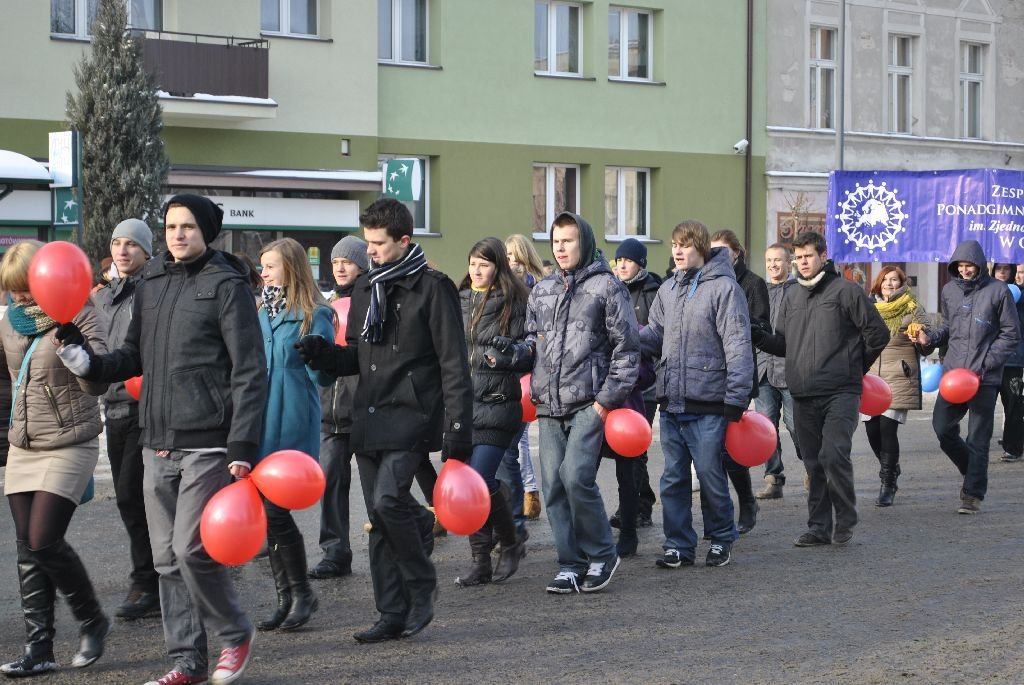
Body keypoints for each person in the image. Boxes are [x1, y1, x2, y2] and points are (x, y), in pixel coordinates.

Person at [56, 194, 266, 685]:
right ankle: (187, 661)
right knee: (166, 560)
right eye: (171, 226)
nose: (177, 234)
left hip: (209, 440)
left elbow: (250, 372)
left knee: (193, 550)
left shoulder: (226, 286)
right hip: (157, 439)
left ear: (206, 232)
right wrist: (89, 363)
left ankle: (234, 634)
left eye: (188, 226)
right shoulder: (151, 283)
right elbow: (132, 355)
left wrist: (243, 444)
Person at [295, 198, 473, 642]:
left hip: (412, 413)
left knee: (390, 500)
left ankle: (420, 583)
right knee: (379, 515)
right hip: (369, 413)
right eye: (368, 241)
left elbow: (454, 364)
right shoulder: (365, 290)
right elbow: (359, 354)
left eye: (377, 243)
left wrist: (458, 430)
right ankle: (390, 612)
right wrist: (326, 356)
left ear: (404, 240)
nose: (369, 251)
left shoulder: (433, 288)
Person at [502, 212, 639, 594]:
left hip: (588, 403)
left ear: (585, 242)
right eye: (556, 241)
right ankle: (571, 563)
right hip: (548, 404)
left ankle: (602, 555)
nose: (561, 248)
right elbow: (534, 342)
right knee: (553, 487)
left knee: (576, 477)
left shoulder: (608, 287)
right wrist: (515, 354)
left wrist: (605, 401)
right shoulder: (543, 290)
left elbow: (627, 350)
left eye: (569, 240)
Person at [0, 241, 111, 677]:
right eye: (12, 290)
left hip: (70, 441)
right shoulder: (10, 322)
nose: (20, 298)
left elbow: (98, 380)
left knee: (44, 539)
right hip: (23, 446)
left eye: (25, 288)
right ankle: (39, 649)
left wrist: (80, 355)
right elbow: (4, 387)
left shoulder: (80, 313)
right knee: (27, 549)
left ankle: (92, 621)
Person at [753, 231, 889, 547]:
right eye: (798, 258)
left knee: (833, 454)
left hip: (841, 391)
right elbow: (785, 344)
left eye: (808, 256)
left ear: (823, 256)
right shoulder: (792, 297)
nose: (803, 262)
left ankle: (845, 519)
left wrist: (855, 367)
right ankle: (818, 527)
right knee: (813, 462)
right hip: (802, 393)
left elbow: (878, 334)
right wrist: (758, 336)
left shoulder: (847, 292)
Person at [641, 221, 752, 569]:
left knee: (709, 475)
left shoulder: (724, 289)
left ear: (701, 248)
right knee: (673, 478)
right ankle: (678, 545)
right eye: (674, 244)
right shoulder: (668, 288)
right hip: (671, 402)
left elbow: (737, 345)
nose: (677, 250)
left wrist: (736, 398)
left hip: (709, 404)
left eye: (685, 245)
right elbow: (654, 335)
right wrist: (624, 333)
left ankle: (721, 538)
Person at [253, 238, 336, 633]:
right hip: (259, 419)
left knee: (275, 509)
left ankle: (301, 593)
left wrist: (318, 353)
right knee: (266, 513)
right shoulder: (259, 312)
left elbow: (323, 374)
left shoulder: (314, 313)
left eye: (270, 266)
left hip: (291, 419)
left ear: (291, 268)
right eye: (262, 266)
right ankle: (286, 596)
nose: (263, 272)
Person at [912, 241, 1020, 514]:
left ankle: (972, 495)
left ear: (980, 265)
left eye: (969, 265)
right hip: (953, 375)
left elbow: (1010, 334)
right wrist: (928, 338)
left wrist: (986, 363)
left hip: (984, 378)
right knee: (942, 428)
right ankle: (972, 471)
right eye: (960, 266)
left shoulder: (999, 292)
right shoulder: (949, 290)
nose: (965, 270)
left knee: (978, 438)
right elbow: (947, 327)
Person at [93, 218, 161, 620]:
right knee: (126, 498)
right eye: (117, 243)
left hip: (145, 407)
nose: (122, 250)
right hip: (113, 406)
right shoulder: (104, 297)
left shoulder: (153, 290)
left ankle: (147, 582)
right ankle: (149, 575)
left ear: (147, 251)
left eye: (131, 244)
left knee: (137, 497)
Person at [454, 237, 531, 586]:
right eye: (472, 262)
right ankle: (480, 560)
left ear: (498, 266)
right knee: (470, 485)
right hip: (463, 406)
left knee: (481, 480)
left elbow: (525, 349)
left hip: (498, 403)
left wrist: (505, 355)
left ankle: (511, 541)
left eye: (483, 263)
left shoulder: (513, 301)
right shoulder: (459, 300)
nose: (476, 269)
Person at [309, 235, 368, 580]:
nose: (340, 267)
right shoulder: (324, 305)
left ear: (362, 264)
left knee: (383, 492)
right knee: (329, 482)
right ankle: (335, 552)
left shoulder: (374, 299)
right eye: (335, 262)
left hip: (365, 409)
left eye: (347, 261)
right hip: (329, 413)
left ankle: (409, 533)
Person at [709, 229, 769, 534]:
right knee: (713, 449)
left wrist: (738, 325)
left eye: (722, 251)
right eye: (712, 251)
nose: (717, 256)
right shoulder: (707, 282)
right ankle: (720, 511)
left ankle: (746, 501)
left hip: (738, 373)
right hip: (707, 376)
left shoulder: (752, 284)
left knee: (730, 447)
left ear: (736, 253)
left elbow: (761, 326)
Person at [862, 266, 927, 506]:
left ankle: (887, 483)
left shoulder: (912, 306)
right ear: (878, 283)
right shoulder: (868, 307)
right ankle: (891, 467)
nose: (889, 283)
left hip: (899, 376)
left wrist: (922, 337)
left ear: (902, 283)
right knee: (872, 431)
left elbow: (927, 339)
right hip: (870, 378)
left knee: (888, 428)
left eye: (894, 280)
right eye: (885, 280)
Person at [608, 238, 660, 539]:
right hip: (619, 382)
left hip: (646, 383)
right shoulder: (613, 291)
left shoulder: (653, 293)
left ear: (640, 263)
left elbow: (657, 336)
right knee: (624, 447)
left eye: (628, 260)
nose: (622, 265)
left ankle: (636, 508)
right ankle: (641, 500)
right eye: (619, 260)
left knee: (635, 445)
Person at [754, 243, 803, 500]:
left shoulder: (799, 291)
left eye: (778, 260)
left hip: (790, 370)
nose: (773, 265)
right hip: (762, 370)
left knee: (797, 425)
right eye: (769, 260)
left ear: (789, 263)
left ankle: (813, 469)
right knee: (765, 428)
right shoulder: (758, 289)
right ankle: (773, 478)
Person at [504, 233, 545, 521]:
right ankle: (529, 493)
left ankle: (524, 501)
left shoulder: (538, 290)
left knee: (514, 442)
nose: (512, 262)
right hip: (509, 374)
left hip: (531, 377)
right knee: (515, 442)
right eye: (507, 257)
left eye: (517, 257)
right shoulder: (504, 289)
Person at [990, 263, 1024, 462]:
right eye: (998, 269)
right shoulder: (984, 294)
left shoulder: (1019, 296)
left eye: (1006, 269)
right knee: (983, 405)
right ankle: (977, 443)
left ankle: (1013, 447)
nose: (1002, 272)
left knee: (1013, 403)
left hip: (1013, 360)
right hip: (988, 360)